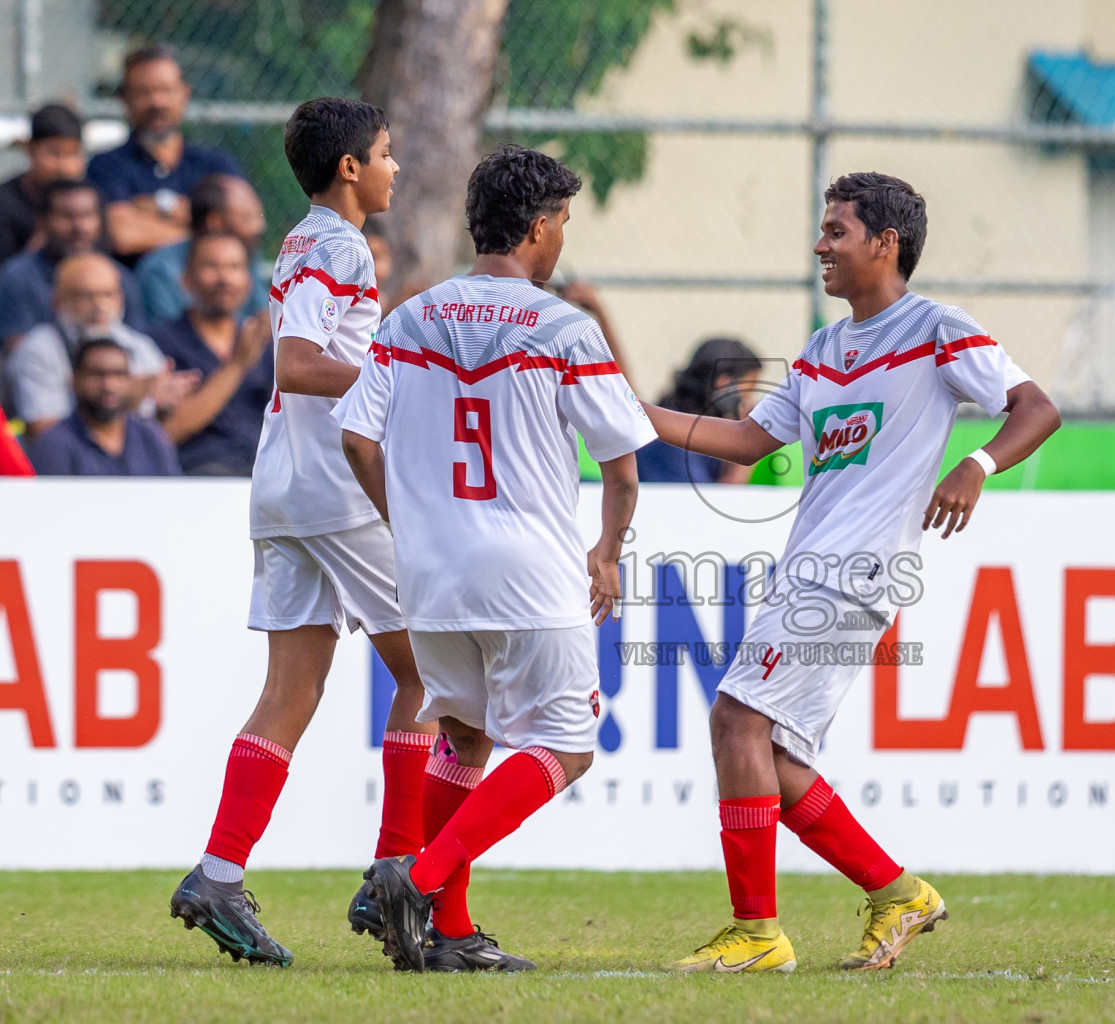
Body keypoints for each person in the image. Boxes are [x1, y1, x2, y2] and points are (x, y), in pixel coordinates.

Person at [644, 172, 1059, 973]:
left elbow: (1036, 406)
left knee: (736, 720)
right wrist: (631, 412)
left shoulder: (936, 328)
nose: (819, 245)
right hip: (811, 568)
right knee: (774, 755)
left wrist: (975, 464)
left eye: (836, 231)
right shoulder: (824, 349)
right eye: (823, 230)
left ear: (885, 243)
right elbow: (748, 442)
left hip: (854, 572)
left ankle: (757, 933)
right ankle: (896, 892)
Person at [345, 143, 654, 974]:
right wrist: (608, 550)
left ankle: (447, 932)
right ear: (540, 226)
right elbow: (622, 466)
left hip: (433, 574)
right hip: (528, 572)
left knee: (466, 738)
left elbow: (354, 433)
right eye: (562, 224)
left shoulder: (411, 314)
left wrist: (405, 522)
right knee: (570, 745)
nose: (561, 241)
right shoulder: (562, 326)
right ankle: (419, 875)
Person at [167, 97, 432, 968]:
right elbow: (298, 360)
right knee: (429, 668)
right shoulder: (339, 243)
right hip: (333, 488)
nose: (396, 167)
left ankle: (217, 874)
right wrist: (404, 374)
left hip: (281, 484)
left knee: (292, 691)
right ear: (350, 167)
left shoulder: (301, 239)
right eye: (387, 154)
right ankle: (397, 869)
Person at [87, 44, 243, 262]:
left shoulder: (216, 165)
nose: (156, 102)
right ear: (124, 99)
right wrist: (201, 231)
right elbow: (123, 235)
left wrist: (153, 210)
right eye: (143, 92)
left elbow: (239, 227)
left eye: (165, 90)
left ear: (184, 94)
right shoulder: (106, 166)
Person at [6, 252, 178, 436]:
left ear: (121, 298)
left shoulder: (139, 345)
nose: (100, 306)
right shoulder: (38, 350)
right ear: (58, 301)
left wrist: (166, 407)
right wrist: (127, 399)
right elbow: (45, 433)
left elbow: (164, 426)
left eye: (108, 295)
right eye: (86, 296)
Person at [152, 232, 274, 475]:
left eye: (234, 267)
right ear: (186, 280)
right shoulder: (160, 343)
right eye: (211, 266)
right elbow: (167, 434)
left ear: (249, 281)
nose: (224, 278)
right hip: (199, 477)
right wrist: (237, 365)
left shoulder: (267, 341)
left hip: (266, 474)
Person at [0, 179, 148, 346]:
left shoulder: (119, 276)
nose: (79, 227)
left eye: (87, 215)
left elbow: (136, 344)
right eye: (66, 216)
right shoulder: (17, 278)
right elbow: (15, 350)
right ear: (41, 221)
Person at [29, 338, 180, 476]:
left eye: (119, 374)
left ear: (131, 381)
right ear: (75, 381)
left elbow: (172, 498)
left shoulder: (150, 435)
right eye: (97, 374)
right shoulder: (56, 443)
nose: (109, 385)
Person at [137, 174, 268, 322]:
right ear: (215, 222)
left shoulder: (248, 257)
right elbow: (168, 338)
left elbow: (263, 318)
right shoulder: (161, 270)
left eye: (233, 267)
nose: (260, 227)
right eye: (248, 218)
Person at [635, 338, 762, 484]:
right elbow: (711, 503)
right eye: (748, 391)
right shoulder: (674, 437)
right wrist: (749, 443)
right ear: (723, 383)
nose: (750, 402)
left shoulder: (698, 428)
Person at [0, 103, 85, 263]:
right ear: (30, 149)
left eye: (73, 153)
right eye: (54, 153)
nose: (64, 167)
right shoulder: (5, 203)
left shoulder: (87, 197)